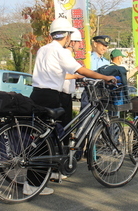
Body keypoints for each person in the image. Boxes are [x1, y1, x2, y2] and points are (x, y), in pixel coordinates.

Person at [25, 18, 116, 196]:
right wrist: (105, 78)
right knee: (47, 140)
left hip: (36, 94)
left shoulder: (43, 49)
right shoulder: (61, 51)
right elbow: (79, 70)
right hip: (50, 96)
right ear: (66, 36)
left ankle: (46, 174)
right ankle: (32, 184)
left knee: (45, 136)